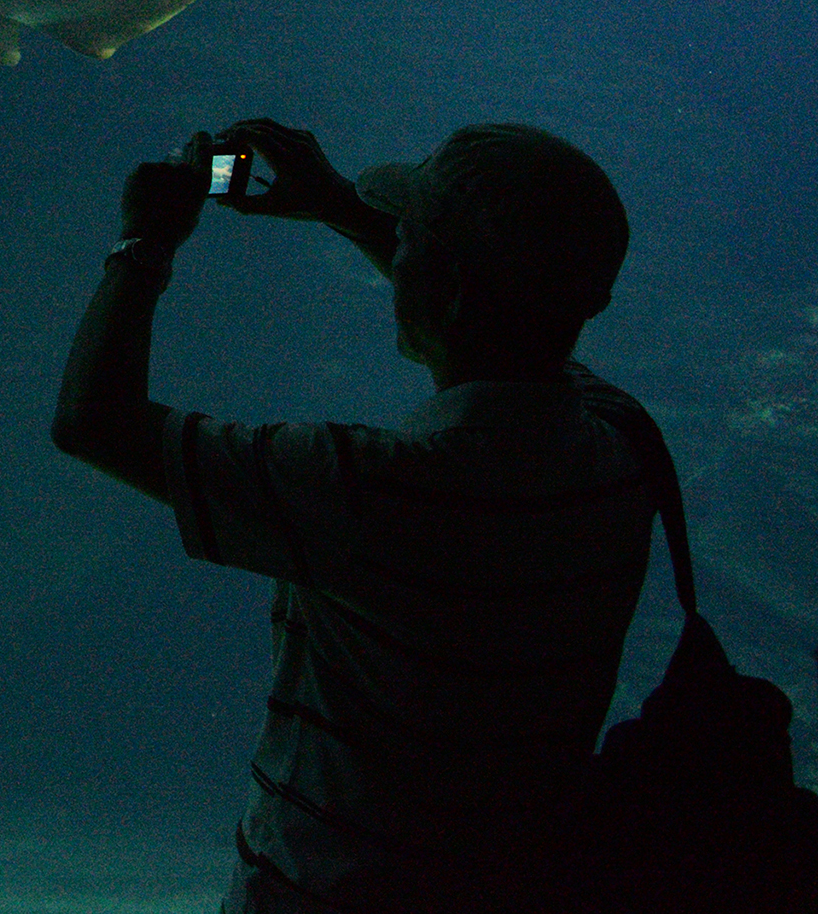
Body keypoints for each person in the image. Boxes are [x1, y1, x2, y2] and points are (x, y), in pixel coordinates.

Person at [51, 118, 657, 914]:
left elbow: (92, 419)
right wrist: (346, 209)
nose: (395, 253)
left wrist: (145, 243)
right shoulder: (624, 449)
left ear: (445, 283)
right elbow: (514, 326)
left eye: (410, 243)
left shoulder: (374, 492)